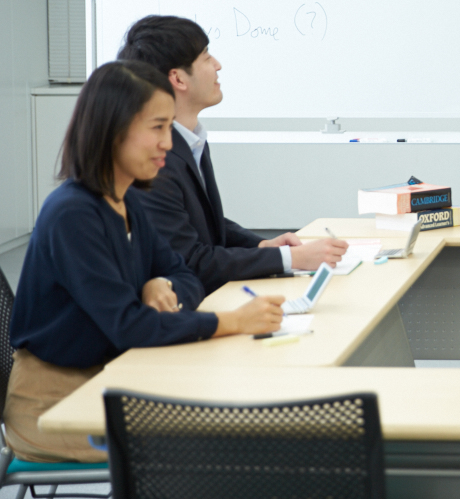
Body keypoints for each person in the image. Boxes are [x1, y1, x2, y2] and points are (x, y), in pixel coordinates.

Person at [6, 60, 283, 462]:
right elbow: (129, 327)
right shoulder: (73, 215)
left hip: (117, 378)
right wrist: (233, 322)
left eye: (170, 127)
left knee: (240, 420)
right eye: (157, 127)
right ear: (112, 130)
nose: (168, 144)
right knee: (223, 442)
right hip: (56, 405)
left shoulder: (128, 200)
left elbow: (184, 273)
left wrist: (161, 284)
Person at [119, 15, 346, 294]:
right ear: (178, 78)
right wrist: (291, 259)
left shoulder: (190, 140)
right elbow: (190, 259)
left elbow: (204, 222)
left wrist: (260, 245)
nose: (217, 65)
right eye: (206, 57)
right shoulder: (156, 161)